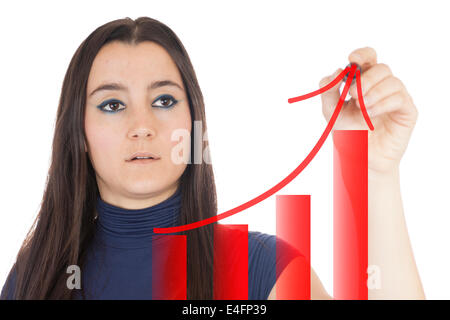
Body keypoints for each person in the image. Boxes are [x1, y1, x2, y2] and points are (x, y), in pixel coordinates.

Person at [0, 17, 424, 300]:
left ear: (194, 123)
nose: (142, 125)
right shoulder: (36, 276)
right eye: (112, 105)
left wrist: (375, 172)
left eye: (164, 99)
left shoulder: (260, 270)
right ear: (80, 134)